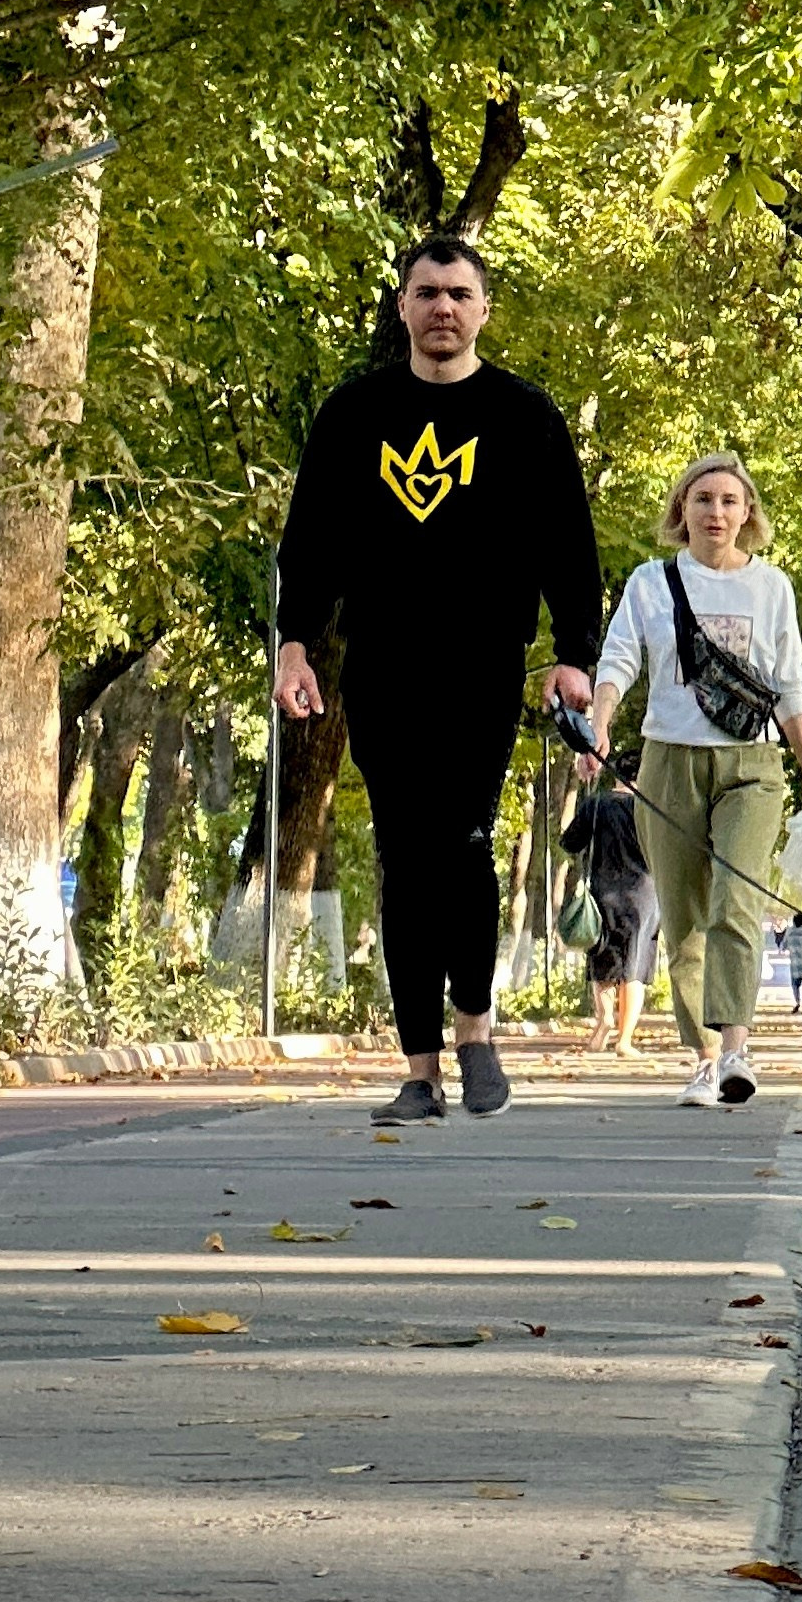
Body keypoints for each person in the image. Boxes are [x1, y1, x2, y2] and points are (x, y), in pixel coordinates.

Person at [273, 236, 601, 1123]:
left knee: (463, 843)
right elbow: (309, 542)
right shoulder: (354, 413)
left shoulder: (525, 416)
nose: (443, 308)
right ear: (403, 306)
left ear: (483, 307)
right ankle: (419, 1070)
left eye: (459, 293)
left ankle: (476, 1034)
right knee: (402, 856)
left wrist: (576, 653)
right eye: (426, 293)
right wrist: (293, 644)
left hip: (482, 669)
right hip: (382, 670)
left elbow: (569, 547)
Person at [583, 450, 802, 1108]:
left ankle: (734, 1052)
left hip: (752, 766)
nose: (716, 511)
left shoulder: (769, 587)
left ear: (747, 512)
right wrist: (599, 722)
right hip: (668, 761)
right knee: (686, 916)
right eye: (703, 500)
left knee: (734, 901)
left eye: (729, 500)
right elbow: (617, 660)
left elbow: (789, 685)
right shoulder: (649, 582)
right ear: (682, 511)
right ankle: (701, 1058)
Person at [562, 751, 659, 1055]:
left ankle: (603, 1023)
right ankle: (625, 1040)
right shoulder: (652, 809)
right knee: (636, 963)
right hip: (643, 894)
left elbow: (570, 842)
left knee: (601, 955)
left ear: (615, 774)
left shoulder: (596, 804)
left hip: (603, 890)